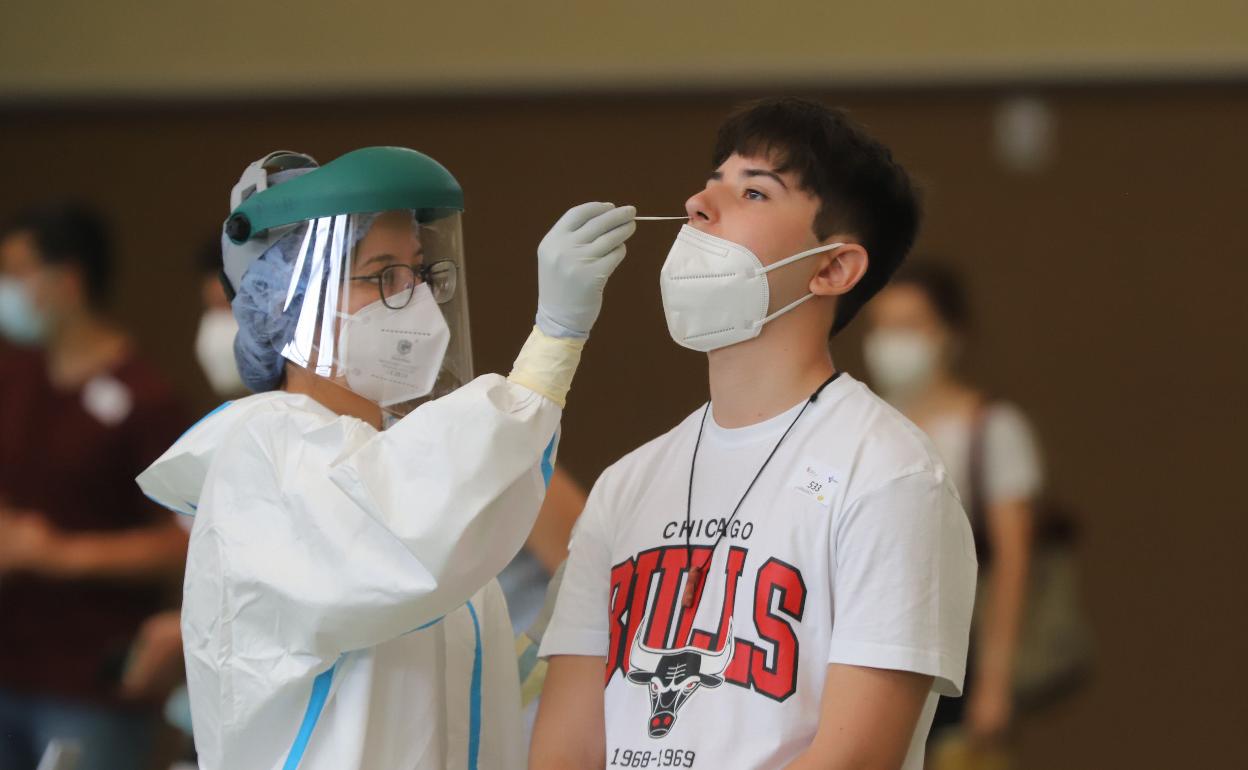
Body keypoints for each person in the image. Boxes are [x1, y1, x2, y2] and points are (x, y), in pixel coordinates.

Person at [136, 147, 636, 770]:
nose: (414, 297)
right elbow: (401, 549)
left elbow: (426, 693)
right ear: (294, 297)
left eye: (420, 272)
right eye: (383, 274)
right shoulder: (269, 453)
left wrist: (541, 647)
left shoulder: (393, 459)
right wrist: (553, 343)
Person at [531, 97, 977, 770]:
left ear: (832, 268)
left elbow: (850, 762)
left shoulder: (890, 475)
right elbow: (565, 751)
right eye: (712, 180)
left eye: (752, 190)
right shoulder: (626, 486)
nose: (698, 205)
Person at [0, 203, 190, 770]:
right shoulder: (15, 376)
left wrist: (61, 554)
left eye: (15, 272)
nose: (6, 288)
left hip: (89, 683)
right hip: (9, 665)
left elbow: (185, 538)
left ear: (69, 279)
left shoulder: (144, 400)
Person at [862, 262, 1043, 756]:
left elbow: (1011, 564)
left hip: (958, 653)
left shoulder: (993, 428)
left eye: (909, 327)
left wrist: (995, 683)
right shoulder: (861, 427)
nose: (890, 342)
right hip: (872, 647)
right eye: (881, 327)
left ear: (949, 333)